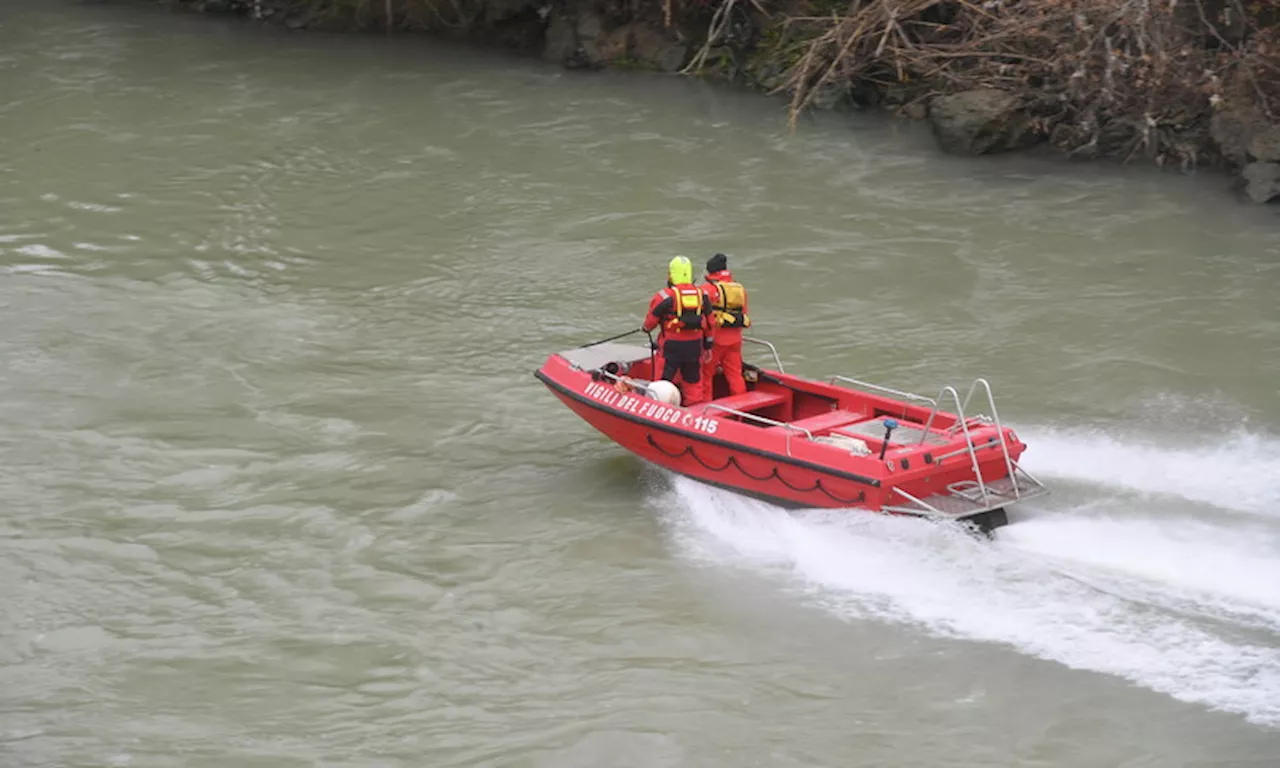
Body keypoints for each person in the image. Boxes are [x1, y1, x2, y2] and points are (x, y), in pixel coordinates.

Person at [642, 255, 714, 406]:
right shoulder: (703, 295)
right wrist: (708, 346)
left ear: (671, 274)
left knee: (663, 380)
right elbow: (710, 323)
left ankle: (660, 408)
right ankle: (694, 411)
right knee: (693, 380)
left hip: (671, 346)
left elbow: (650, 322)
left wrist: (645, 328)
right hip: (695, 346)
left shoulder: (664, 296)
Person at [700, 252, 750, 397]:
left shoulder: (707, 290)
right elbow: (744, 312)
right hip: (735, 340)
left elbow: (703, 317)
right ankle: (740, 406)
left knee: (706, 375)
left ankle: (705, 410)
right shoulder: (739, 289)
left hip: (715, 340)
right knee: (735, 374)